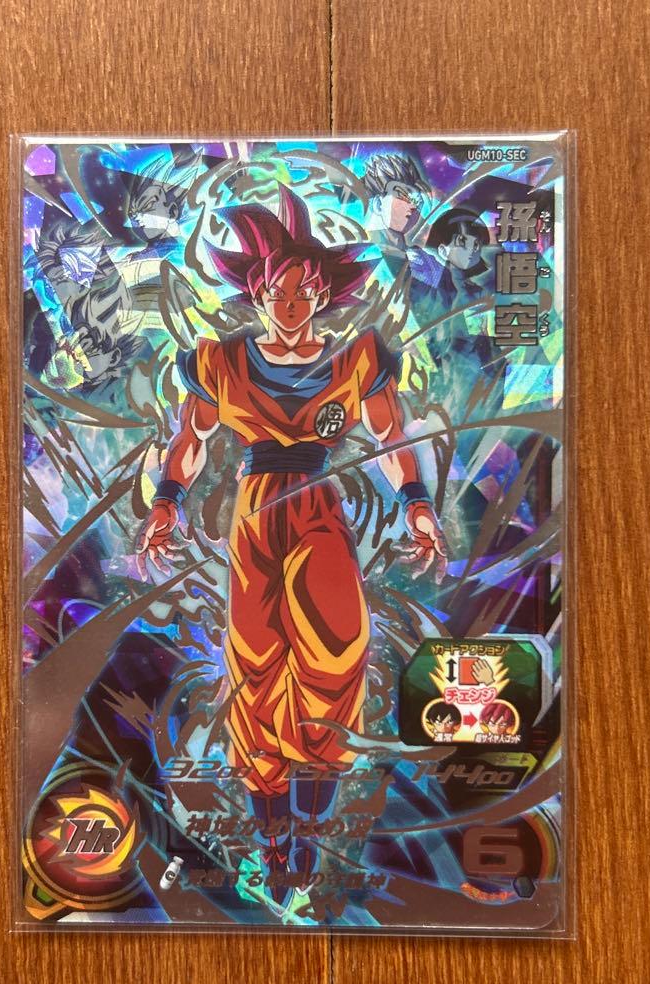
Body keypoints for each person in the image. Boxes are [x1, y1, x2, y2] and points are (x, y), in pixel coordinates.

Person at [135, 185, 449, 902]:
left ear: (324, 295)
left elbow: (390, 438)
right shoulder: (219, 361)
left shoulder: (357, 359)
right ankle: (274, 840)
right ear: (257, 291)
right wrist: (166, 502)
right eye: (279, 289)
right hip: (255, 517)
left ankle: (311, 829)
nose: (291, 303)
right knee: (256, 665)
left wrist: (418, 505)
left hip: (318, 510)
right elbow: (190, 441)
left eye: (306, 291)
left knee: (336, 654)